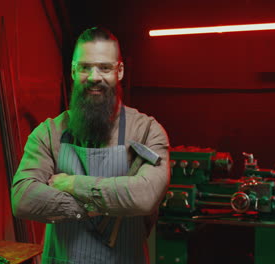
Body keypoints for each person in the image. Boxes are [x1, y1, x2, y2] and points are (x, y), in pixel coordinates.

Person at [11, 27, 170, 264]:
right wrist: (94, 206)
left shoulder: (146, 131)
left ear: (120, 71)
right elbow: (23, 198)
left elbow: (145, 195)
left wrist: (72, 183)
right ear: (73, 71)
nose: (94, 76)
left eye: (104, 67)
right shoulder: (48, 133)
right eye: (85, 67)